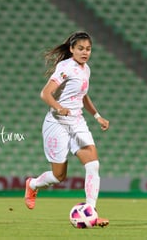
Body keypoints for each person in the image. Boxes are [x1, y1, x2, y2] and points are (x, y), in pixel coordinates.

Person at [24, 31, 110, 227]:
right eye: (80, 48)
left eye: (88, 49)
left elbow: (83, 96)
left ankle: (91, 213)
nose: (85, 52)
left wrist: (97, 116)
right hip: (57, 123)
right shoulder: (65, 67)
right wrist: (59, 107)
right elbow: (45, 93)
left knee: (93, 165)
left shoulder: (86, 69)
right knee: (59, 176)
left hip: (77, 122)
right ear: (72, 49)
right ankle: (33, 184)